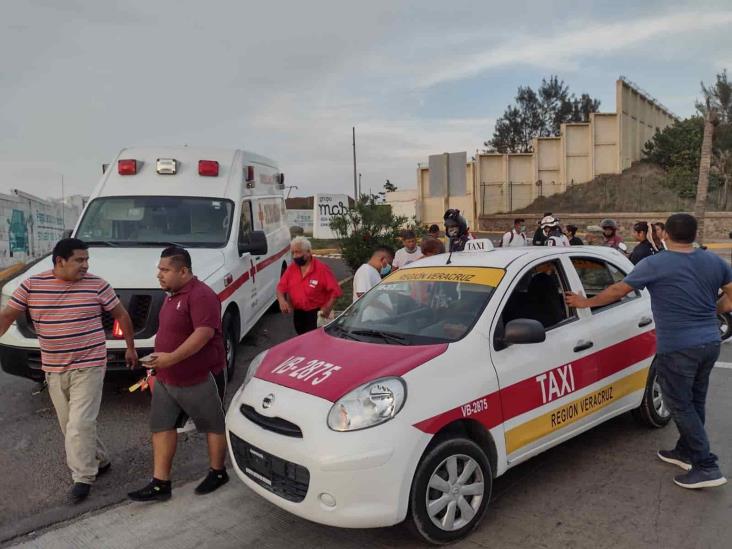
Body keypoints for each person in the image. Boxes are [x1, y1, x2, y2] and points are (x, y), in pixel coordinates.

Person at [565, 214, 731, 490]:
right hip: (709, 342)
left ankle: (706, 465)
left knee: (680, 404)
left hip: (678, 347)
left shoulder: (656, 263)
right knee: (694, 400)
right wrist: (714, 310)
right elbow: (730, 296)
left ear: (665, 234)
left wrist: (586, 301)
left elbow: (619, 289)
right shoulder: (713, 261)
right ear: (694, 233)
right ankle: (686, 451)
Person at [0, 238, 137, 504]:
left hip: (90, 363)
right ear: (59, 261)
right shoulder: (32, 285)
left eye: (87, 260)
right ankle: (101, 459)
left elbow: (122, 315)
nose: (86, 265)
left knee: (79, 424)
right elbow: (6, 317)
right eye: (79, 260)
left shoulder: (97, 285)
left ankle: (83, 478)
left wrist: (130, 347)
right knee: (70, 426)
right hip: (53, 366)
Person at [128, 246, 229, 502]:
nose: (159, 275)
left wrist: (171, 358)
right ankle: (161, 483)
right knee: (161, 426)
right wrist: (156, 362)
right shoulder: (172, 295)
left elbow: (203, 334)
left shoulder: (201, 295)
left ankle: (218, 472)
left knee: (212, 426)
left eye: (165, 270)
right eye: (159, 269)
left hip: (198, 377)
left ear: (183, 271)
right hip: (166, 377)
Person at [276, 236, 342, 334]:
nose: (294, 256)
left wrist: (328, 306)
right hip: (298, 314)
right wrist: (282, 301)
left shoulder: (321, 269)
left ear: (308, 252)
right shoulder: (291, 269)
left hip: (316, 314)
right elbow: (280, 288)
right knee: (301, 339)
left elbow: (335, 291)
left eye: (298, 252)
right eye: (293, 253)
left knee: (315, 343)